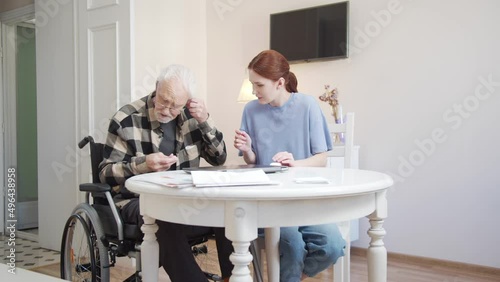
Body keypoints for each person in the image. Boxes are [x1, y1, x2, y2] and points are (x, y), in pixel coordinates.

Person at [99, 64, 233, 282]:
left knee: (228, 208)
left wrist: (205, 120)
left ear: (187, 102)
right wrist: (142, 165)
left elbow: (219, 158)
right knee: (163, 213)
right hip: (136, 201)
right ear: (156, 87)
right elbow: (105, 173)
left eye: (175, 106)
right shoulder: (126, 119)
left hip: (185, 200)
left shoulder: (192, 118)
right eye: (163, 101)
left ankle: (232, 278)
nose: (166, 110)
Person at [234, 50, 346, 282]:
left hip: (304, 201)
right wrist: (246, 150)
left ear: (280, 83)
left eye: (259, 85)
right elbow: (253, 161)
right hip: (267, 204)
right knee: (292, 244)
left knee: (333, 245)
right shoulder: (251, 110)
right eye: (252, 85)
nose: (255, 91)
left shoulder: (307, 106)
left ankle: (291, 278)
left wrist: (296, 163)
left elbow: (321, 158)